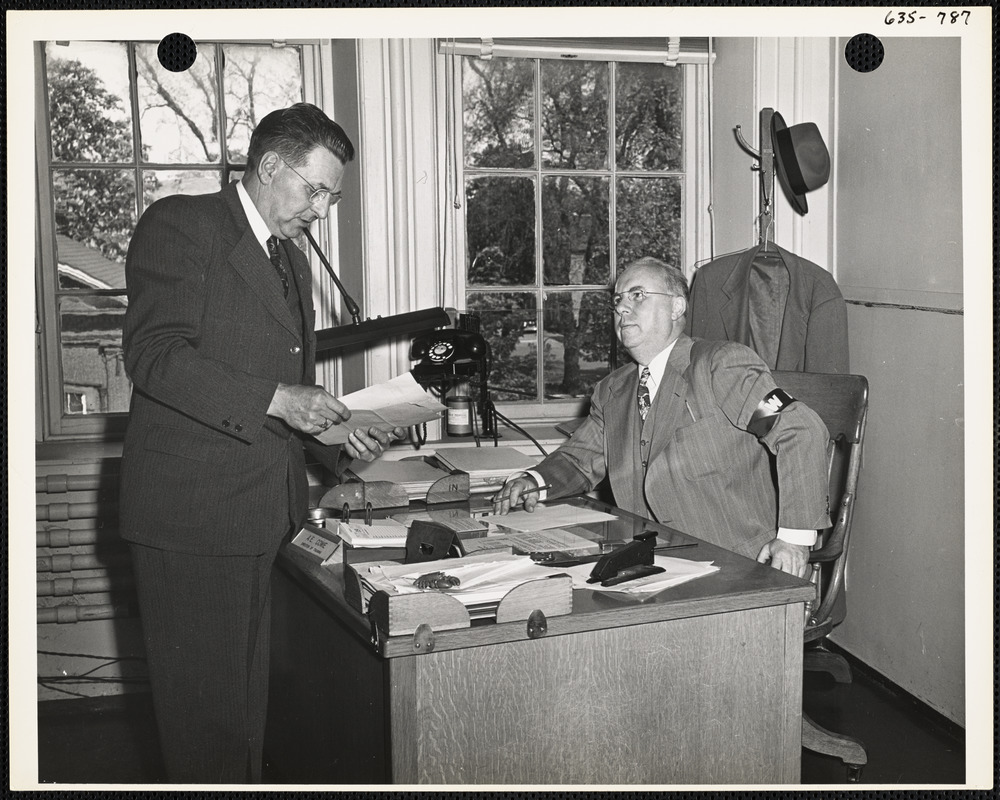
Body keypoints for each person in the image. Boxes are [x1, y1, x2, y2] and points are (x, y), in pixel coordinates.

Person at [119, 103, 401, 783]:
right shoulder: (183, 227)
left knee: (244, 715)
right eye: (316, 190)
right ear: (271, 166)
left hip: (262, 516)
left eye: (332, 195)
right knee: (205, 723)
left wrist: (340, 440)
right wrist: (283, 399)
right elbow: (154, 356)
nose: (324, 211)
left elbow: (289, 394)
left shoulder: (291, 263)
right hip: (193, 519)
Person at [492, 256, 831, 578]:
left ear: (676, 306)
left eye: (637, 295)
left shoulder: (721, 366)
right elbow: (579, 460)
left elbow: (800, 430)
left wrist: (794, 540)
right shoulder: (613, 391)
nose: (622, 307)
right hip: (652, 567)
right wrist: (532, 480)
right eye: (618, 300)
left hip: (738, 567)